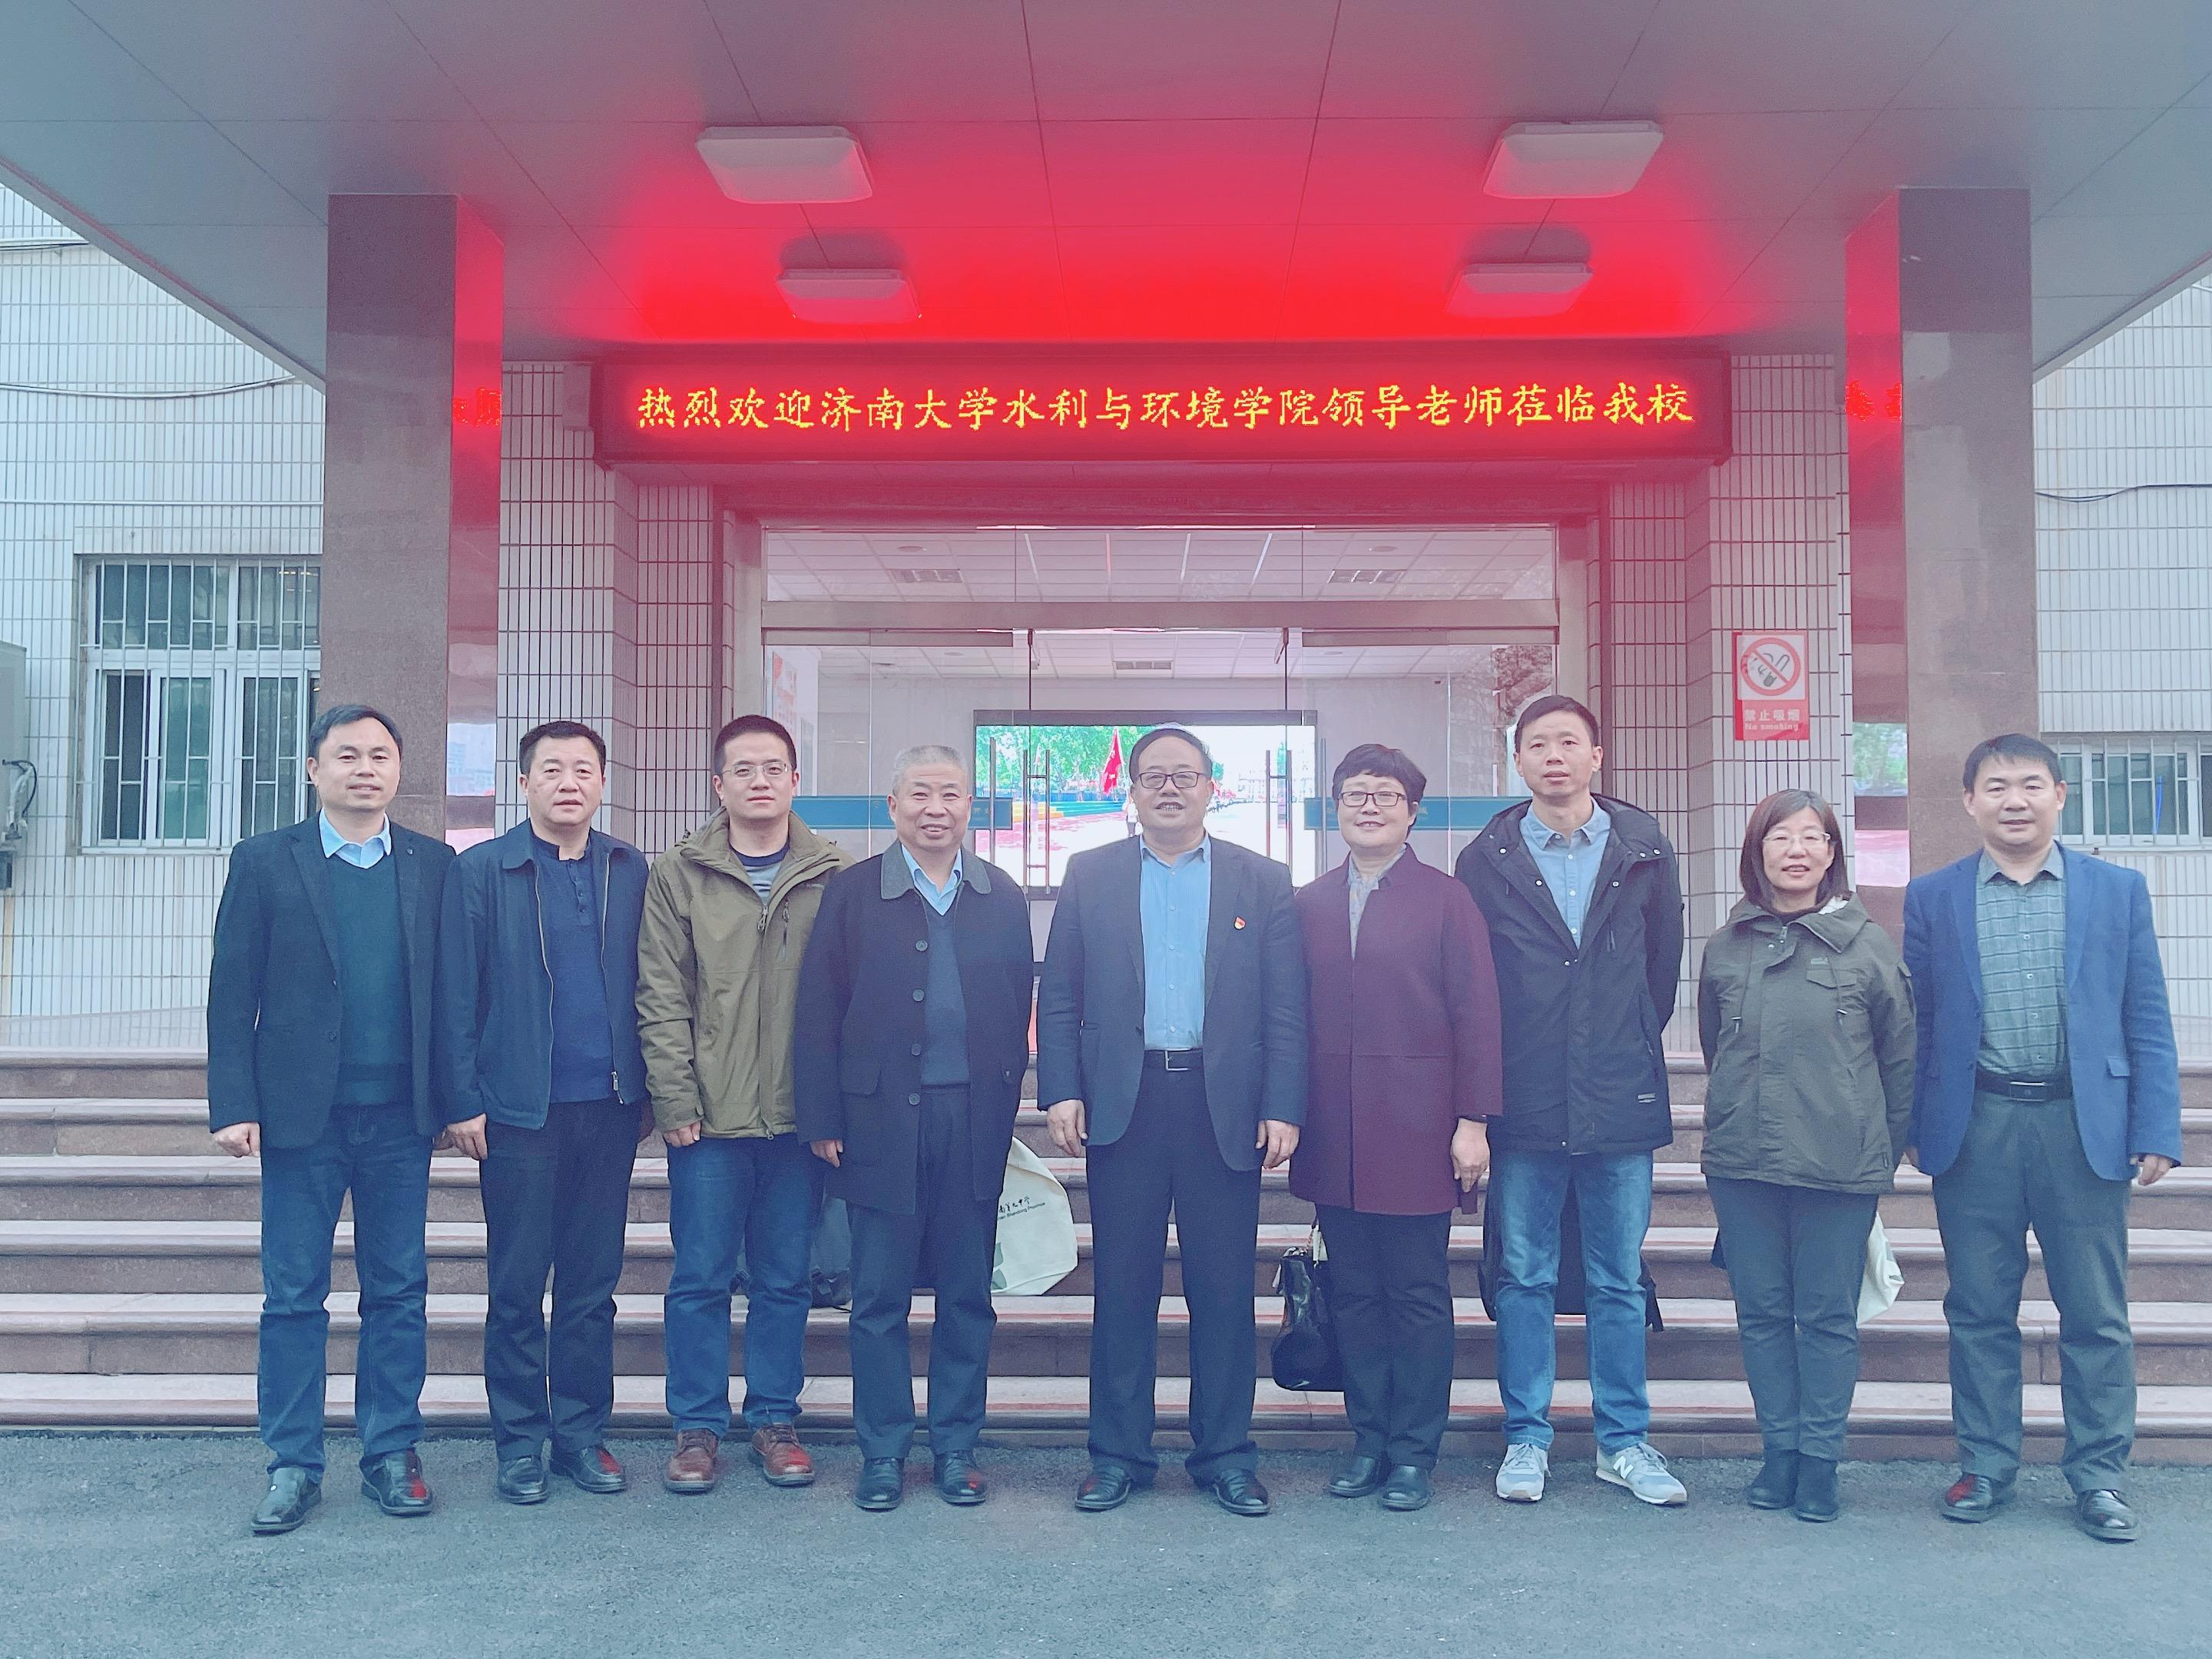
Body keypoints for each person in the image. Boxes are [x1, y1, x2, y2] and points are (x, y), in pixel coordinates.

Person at [1905, 733, 2183, 1541]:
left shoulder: (2116, 891)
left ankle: (2099, 1476)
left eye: (2031, 785)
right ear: (1970, 802)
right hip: (1978, 1126)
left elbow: (2146, 1013)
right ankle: (1986, 1465)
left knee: (2095, 1313)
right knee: (1978, 1309)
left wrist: (2155, 1124)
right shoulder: (1933, 897)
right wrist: (1914, 1125)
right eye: (1996, 787)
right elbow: (1920, 1022)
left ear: (2060, 795)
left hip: (2082, 1125)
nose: (2014, 801)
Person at [1037, 726, 1309, 1517]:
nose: (1169, 788)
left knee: (1222, 1292)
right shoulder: (1091, 874)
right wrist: (1061, 1089)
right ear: (1132, 790)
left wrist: (1283, 1103)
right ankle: (1117, 1455)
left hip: (1223, 1107)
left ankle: (1225, 1455)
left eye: (1184, 776)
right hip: (1124, 1104)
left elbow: (1286, 1004)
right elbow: (1060, 991)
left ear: (1211, 788)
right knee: (1122, 1290)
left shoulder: (1262, 880)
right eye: (1154, 775)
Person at [206, 705, 456, 1535]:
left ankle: (392, 1451)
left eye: (380, 755)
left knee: (398, 1291)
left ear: (399, 769)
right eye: (347, 755)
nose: (365, 768)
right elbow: (232, 991)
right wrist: (234, 1104)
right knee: (293, 1297)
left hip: (399, 1121)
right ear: (313, 769)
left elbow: (451, 994)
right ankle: (292, 1463)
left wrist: (454, 1100)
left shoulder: (431, 864)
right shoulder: (264, 860)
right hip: (300, 1120)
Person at [1454, 694, 1687, 1507]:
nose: (1553, 756)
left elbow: (1659, 972)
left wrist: (1622, 1043)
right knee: (1523, 1276)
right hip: (1523, 1098)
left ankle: (1625, 1442)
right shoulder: (1485, 860)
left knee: (1618, 1279)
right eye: (1537, 744)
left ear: (1596, 756)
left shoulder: (1644, 848)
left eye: (1568, 742)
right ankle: (1527, 1437)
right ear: (1517, 761)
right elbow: (1476, 986)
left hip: (1619, 1095)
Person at [793, 745, 1036, 1512]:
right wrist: (822, 1116)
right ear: (894, 806)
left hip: (973, 1119)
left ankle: (957, 1448)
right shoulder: (853, 892)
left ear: (971, 807)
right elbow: (819, 1007)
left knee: (967, 1295)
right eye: (920, 795)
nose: (936, 809)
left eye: (951, 795)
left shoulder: (1001, 895)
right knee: (879, 1298)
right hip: (876, 1122)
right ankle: (884, 1452)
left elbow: (1017, 1005)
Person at [436, 720, 651, 1505]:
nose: (569, 782)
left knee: (592, 1287)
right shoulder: (482, 870)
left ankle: (582, 1437)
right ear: (523, 783)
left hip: (610, 1107)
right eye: (552, 770)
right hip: (519, 1112)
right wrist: (462, 1099)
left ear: (602, 783)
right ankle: (520, 1443)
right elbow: (455, 992)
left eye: (584, 770)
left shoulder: (629, 869)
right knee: (518, 1286)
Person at [637, 713, 851, 1495]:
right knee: (699, 1277)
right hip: (708, 1119)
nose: (759, 782)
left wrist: (833, 1112)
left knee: (784, 1278)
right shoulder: (679, 873)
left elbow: (852, 1001)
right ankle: (696, 1428)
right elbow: (661, 992)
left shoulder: (837, 873)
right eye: (743, 770)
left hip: (798, 1119)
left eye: (773, 769)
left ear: (795, 781)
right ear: (718, 785)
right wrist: (674, 1097)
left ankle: (773, 1421)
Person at [1292, 743, 1502, 1512]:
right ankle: (1368, 1440)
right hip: (1333, 1129)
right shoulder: (1308, 902)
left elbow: (1478, 1016)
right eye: (1355, 794)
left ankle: (1414, 1452)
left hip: (1419, 1127)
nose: (1370, 807)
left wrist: (1474, 1120)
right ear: (1335, 810)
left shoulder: (1447, 900)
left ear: (1414, 812)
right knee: (1353, 1292)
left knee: (1415, 1293)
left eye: (1386, 795)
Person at [1697, 790, 1914, 1522]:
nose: (1796, 850)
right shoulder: (1727, 945)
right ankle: (1779, 1453)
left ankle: (1820, 1460)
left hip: (1839, 1161)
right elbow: (1716, 1045)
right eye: (1780, 837)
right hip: (1743, 1159)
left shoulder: (1866, 943)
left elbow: (1899, 1057)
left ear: (1831, 854)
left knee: (1825, 1318)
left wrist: (1878, 1149)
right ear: (1756, 852)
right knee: (1760, 1315)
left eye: (1812, 837)